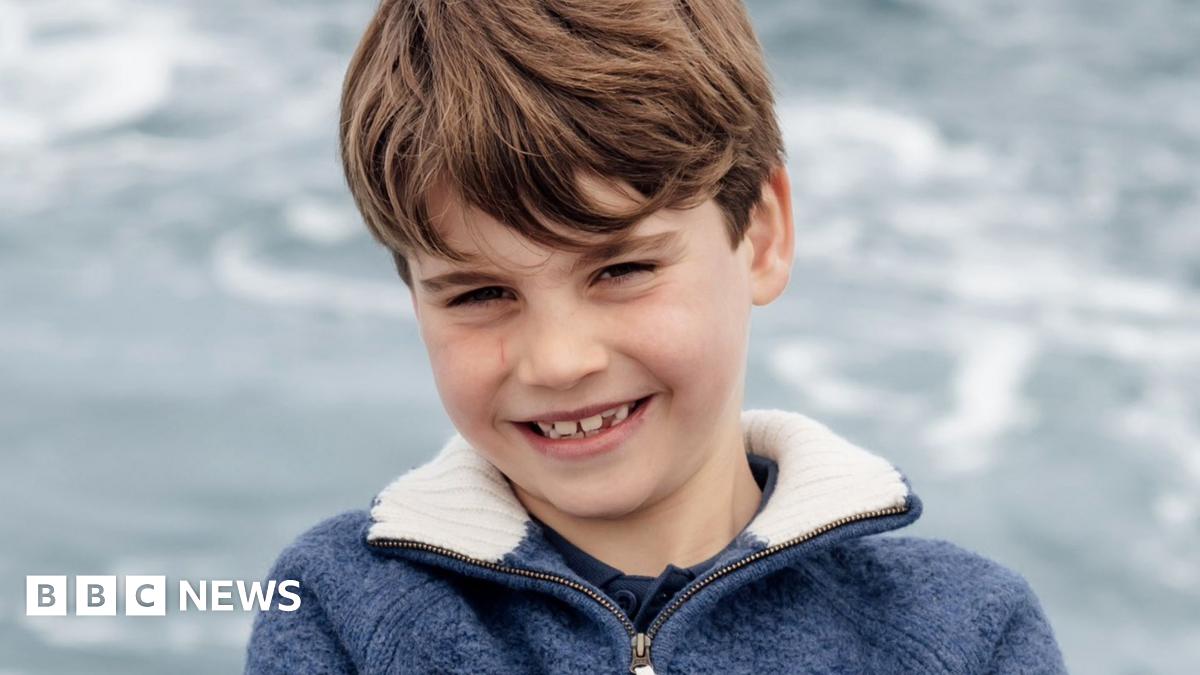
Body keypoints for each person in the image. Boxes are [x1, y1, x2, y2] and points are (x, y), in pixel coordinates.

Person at [244, 1, 1067, 672]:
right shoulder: (341, 610)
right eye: (482, 292)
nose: (560, 360)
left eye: (621, 270)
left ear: (763, 234)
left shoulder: (967, 632)